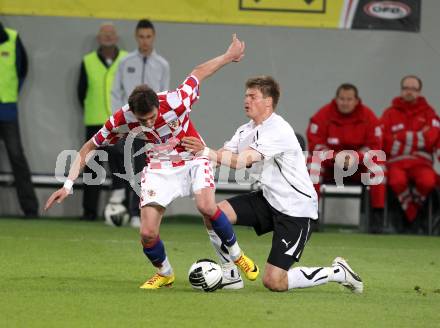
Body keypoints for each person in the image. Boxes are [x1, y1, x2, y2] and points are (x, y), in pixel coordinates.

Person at [45, 34, 259, 290]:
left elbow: (198, 72)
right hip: (159, 166)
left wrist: (228, 56)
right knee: (147, 233)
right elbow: (89, 146)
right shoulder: (121, 118)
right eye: (142, 120)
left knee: (206, 206)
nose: (147, 123)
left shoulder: (176, 101)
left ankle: (238, 256)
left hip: (192, 158)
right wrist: (67, 185)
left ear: (157, 105)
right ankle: (165, 273)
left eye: (151, 118)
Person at [182, 76, 363, 293]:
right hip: (268, 199)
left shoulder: (278, 129)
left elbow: (242, 161)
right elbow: (224, 154)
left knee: (274, 282)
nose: (246, 100)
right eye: (246, 95)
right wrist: (198, 157)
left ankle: (338, 272)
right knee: (212, 213)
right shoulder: (245, 129)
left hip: (295, 210)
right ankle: (230, 274)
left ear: (268, 102)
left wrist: (205, 152)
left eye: (253, 96)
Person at [111, 19, 170, 227]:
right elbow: (116, 92)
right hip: (128, 124)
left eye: (148, 37)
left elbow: (163, 96)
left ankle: (139, 213)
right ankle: (124, 208)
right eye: (141, 37)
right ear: (137, 37)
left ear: (153, 37)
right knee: (126, 163)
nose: (145, 41)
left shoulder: (162, 65)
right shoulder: (125, 62)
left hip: (150, 127)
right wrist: (119, 121)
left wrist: (157, 125)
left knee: (144, 169)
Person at [306, 84, 385, 233]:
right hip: (331, 166)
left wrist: (355, 157)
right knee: (313, 164)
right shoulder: (323, 115)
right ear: (336, 99)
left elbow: (375, 146)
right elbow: (314, 144)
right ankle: (312, 217)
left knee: (378, 166)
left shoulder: (368, 116)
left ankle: (377, 219)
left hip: (359, 168)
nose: (345, 102)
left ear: (356, 100)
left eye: (349, 99)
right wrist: (335, 157)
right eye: (342, 99)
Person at [77, 22, 127, 221]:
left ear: (116, 37)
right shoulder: (87, 61)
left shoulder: (126, 60)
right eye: (104, 34)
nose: (108, 37)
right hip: (95, 120)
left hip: (120, 122)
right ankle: (89, 212)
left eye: (111, 34)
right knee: (92, 166)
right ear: (99, 38)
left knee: (121, 166)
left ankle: (120, 210)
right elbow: (80, 92)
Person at [381, 75, 439, 231]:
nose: (409, 92)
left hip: (421, 163)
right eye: (406, 88)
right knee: (396, 181)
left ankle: (410, 216)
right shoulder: (389, 113)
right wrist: (418, 137)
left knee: (428, 181)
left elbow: (431, 138)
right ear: (401, 90)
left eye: (413, 89)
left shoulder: (429, 113)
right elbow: (385, 142)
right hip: (396, 163)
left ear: (419, 92)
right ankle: (413, 218)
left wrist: (399, 138)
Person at [0, 22, 39, 217]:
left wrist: (10, 93)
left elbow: (22, 70)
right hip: (7, 110)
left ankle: (30, 209)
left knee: (17, 157)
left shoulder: (13, 38)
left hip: (7, 110)